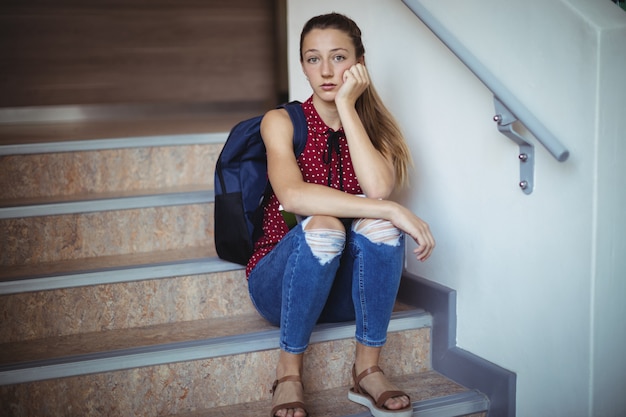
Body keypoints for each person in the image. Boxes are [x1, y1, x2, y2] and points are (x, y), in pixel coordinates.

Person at [246, 12, 435, 417]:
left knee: (382, 226)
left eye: (338, 57)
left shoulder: (372, 128)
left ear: (359, 63)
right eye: (313, 59)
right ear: (302, 66)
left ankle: (366, 370)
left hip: (348, 293)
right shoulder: (280, 121)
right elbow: (293, 195)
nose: (326, 71)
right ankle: (288, 374)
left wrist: (348, 108)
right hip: (282, 287)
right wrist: (391, 208)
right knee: (329, 224)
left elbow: (379, 188)